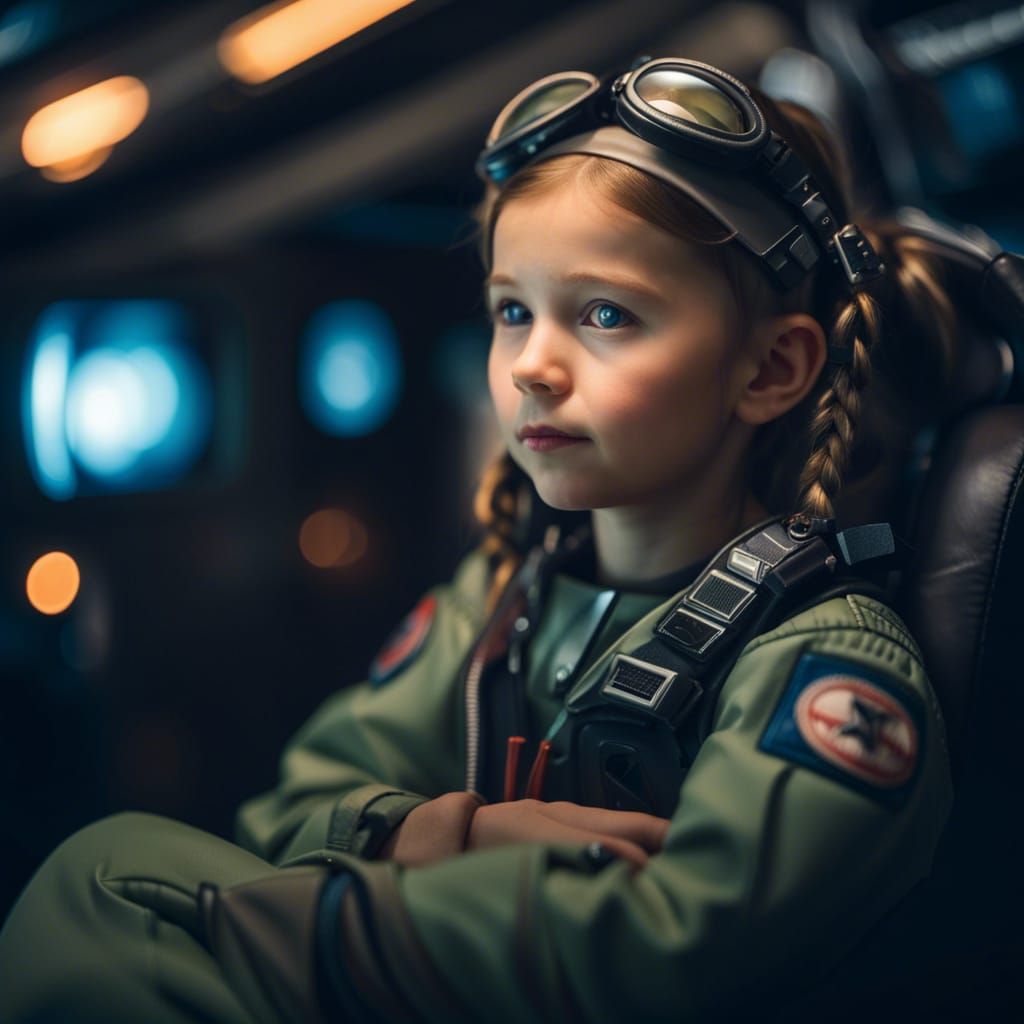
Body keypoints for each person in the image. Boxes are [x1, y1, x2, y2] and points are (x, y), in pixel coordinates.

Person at [0, 57, 960, 1023]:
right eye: (513, 311)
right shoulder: (501, 606)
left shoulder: (825, 663)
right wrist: (447, 835)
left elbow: (672, 954)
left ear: (772, 369)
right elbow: (287, 810)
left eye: (607, 314)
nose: (533, 365)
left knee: (110, 888)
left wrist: (341, 917)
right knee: (110, 868)